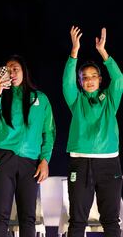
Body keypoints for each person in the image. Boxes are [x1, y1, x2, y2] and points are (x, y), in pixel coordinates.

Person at [0, 54, 56, 237]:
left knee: (28, 216)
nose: (12, 73)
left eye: (16, 69)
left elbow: (49, 132)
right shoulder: (0, 98)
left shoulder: (40, 99)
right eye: (8, 70)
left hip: (30, 162)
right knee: (0, 215)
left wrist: (45, 160)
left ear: (24, 72)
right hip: (3, 159)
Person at [64, 26, 123, 237]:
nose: (89, 80)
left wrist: (103, 52)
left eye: (93, 76)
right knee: (77, 222)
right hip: (80, 163)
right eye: (84, 77)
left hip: (109, 163)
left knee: (111, 221)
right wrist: (74, 51)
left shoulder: (110, 99)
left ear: (100, 79)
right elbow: (66, 82)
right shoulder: (76, 99)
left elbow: (118, 79)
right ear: (80, 82)